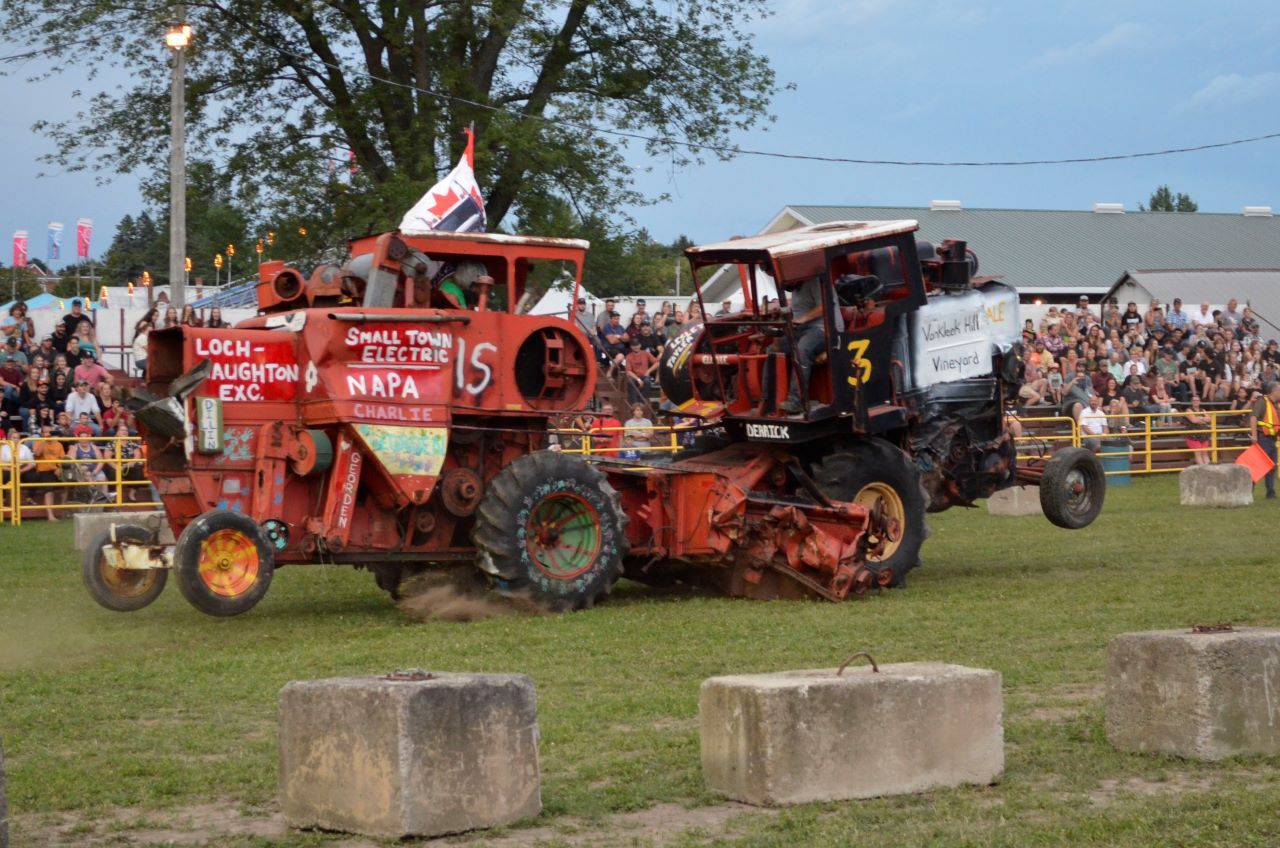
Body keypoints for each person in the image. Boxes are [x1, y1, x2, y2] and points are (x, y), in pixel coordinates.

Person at [771, 275, 844, 415]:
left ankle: (796, 401)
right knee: (773, 349)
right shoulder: (795, 288)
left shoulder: (816, 281)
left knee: (801, 349)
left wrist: (802, 319)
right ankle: (769, 397)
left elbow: (825, 305)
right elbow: (799, 311)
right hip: (804, 329)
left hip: (825, 328)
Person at [1249, 381, 1280, 499]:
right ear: (1274, 391)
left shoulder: (1275, 404)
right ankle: (1248, 491)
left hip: (1272, 440)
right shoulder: (1262, 401)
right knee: (1257, 466)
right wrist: (1254, 435)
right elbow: (1253, 417)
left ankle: (1271, 493)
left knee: (1272, 466)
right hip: (1263, 439)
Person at [30, 422, 66, 521]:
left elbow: (63, 459)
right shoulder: (38, 442)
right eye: (46, 432)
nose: (48, 434)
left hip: (57, 470)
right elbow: (37, 454)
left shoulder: (58, 444)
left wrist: (59, 468)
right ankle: (50, 516)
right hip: (44, 471)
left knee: (67, 486)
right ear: (42, 433)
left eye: (50, 432)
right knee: (49, 491)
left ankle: (63, 511)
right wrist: (45, 441)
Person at [623, 338, 660, 403]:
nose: (636, 347)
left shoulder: (646, 353)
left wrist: (648, 371)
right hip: (634, 377)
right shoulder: (629, 356)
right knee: (631, 382)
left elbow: (657, 363)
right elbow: (628, 371)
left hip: (645, 376)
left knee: (647, 381)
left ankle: (643, 402)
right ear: (631, 347)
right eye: (633, 345)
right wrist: (638, 379)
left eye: (637, 345)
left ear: (640, 345)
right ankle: (634, 404)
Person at [1184, 394, 1212, 467]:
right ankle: (1202, 469)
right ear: (1191, 402)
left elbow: (1209, 419)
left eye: (1197, 400)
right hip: (1193, 435)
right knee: (1198, 452)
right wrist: (1203, 418)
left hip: (1203, 434)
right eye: (1194, 400)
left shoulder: (1203, 410)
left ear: (1200, 401)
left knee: (1205, 453)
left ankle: (1208, 469)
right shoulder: (1188, 410)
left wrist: (1199, 418)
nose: (1196, 402)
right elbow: (1193, 420)